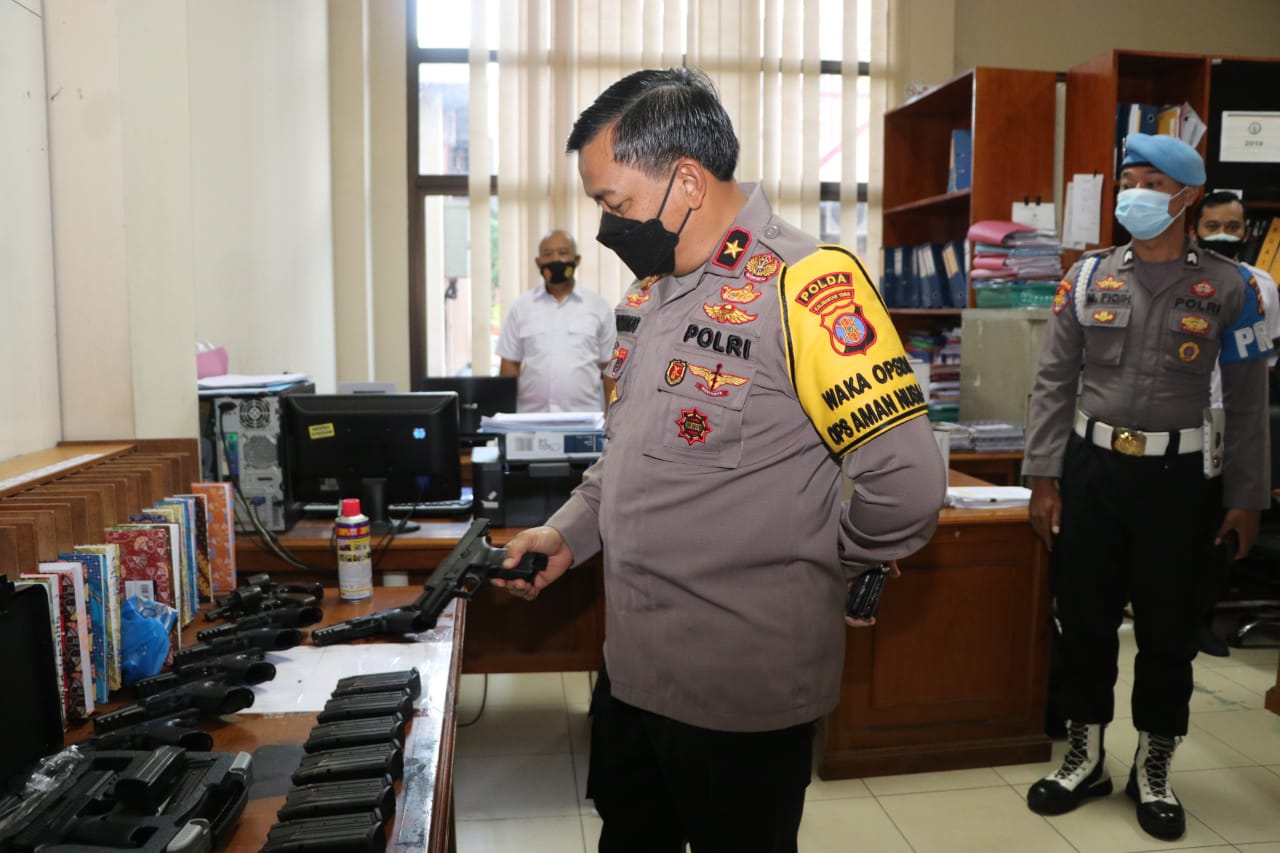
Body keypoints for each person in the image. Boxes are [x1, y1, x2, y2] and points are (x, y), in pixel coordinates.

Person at [494, 68, 946, 852]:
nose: (605, 227)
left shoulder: (808, 285)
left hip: (740, 694)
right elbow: (628, 455)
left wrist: (837, 558)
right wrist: (566, 533)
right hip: (635, 672)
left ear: (688, 182)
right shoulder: (650, 294)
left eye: (614, 203)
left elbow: (905, 483)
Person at [1023, 133, 1273, 841]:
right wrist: (1043, 476)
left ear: (1187, 197)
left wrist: (1247, 497)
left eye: (1152, 184)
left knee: (1168, 629)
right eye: (1128, 181)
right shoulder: (1087, 277)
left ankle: (1153, 766)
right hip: (1092, 472)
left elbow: (1249, 403)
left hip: (1180, 481)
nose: (1134, 194)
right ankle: (1085, 758)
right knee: (1085, 620)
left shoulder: (1235, 288)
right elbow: (1052, 382)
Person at [1190, 191, 1280, 655]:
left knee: (1220, 519)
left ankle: (1202, 617)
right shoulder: (1183, 277)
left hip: (1232, 417)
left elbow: (1264, 359)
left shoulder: (1261, 285)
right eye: (1213, 227)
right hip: (1185, 417)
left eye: (1233, 227)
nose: (1223, 235)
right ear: (1195, 231)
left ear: (1246, 233)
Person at [496, 229, 615, 412]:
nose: (556, 259)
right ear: (538, 262)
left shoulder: (599, 307)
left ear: (576, 259)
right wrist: (505, 417)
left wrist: (611, 417)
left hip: (584, 418)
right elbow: (509, 364)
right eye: (548, 254)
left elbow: (611, 367)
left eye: (563, 253)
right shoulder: (521, 307)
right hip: (531, 418)